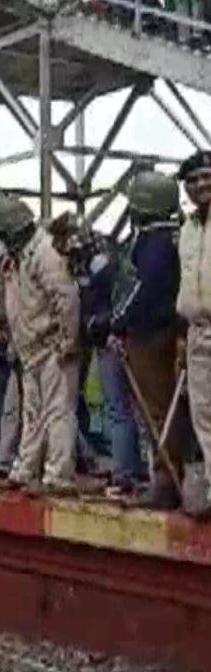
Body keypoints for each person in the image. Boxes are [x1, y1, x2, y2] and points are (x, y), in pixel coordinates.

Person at [0, 198, 80, 494]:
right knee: (33, 413)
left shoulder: (45, 253)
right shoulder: (17, 259)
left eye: (0, 234)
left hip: (52, 345)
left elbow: (66, 299)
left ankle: (57, 475)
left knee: (57, 413)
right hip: (30, 348)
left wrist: (67, 341)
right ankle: (25, 468)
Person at [109, 170, 183, 506]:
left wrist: (116, 322)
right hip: (167, 329)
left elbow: (142, 290)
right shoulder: (175, 236)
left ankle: (166, 480)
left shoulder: (153, 243)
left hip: (151, 334)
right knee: (170, 406)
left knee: (157, 410)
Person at [176, 150, 211, 517]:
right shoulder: (187, 230)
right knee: (204, 415)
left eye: (206, 176)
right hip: (198, 331)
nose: (202, 185)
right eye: (194, 180)